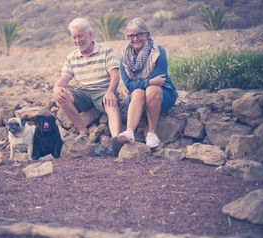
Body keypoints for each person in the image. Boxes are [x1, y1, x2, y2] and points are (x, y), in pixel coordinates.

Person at [53, 18, 123, 154]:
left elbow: (115, 75)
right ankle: (83, 132)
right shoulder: (71, 57)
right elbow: (63, 80)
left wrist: (110, 92)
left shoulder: (105, 51)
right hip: (82, 92)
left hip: (102, 90)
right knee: (62, 95)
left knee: (110, 101)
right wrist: (56, 88)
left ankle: (116, 140)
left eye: (80, 36)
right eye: (74, 37)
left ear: (90, 35)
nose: (77, 40)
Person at [117, 17, 178, 148]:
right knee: (138, 92)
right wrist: (148, 81)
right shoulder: (124, 59)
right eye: (131, 35)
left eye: (139, 34)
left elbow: (159, 81)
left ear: (147, 35)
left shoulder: (158, 52)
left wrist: (137, 84)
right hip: (137, 100)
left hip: (162, 95)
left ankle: (152, 133)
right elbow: (128, 85)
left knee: (151, 89)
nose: (135, 38)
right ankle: (129, 132)